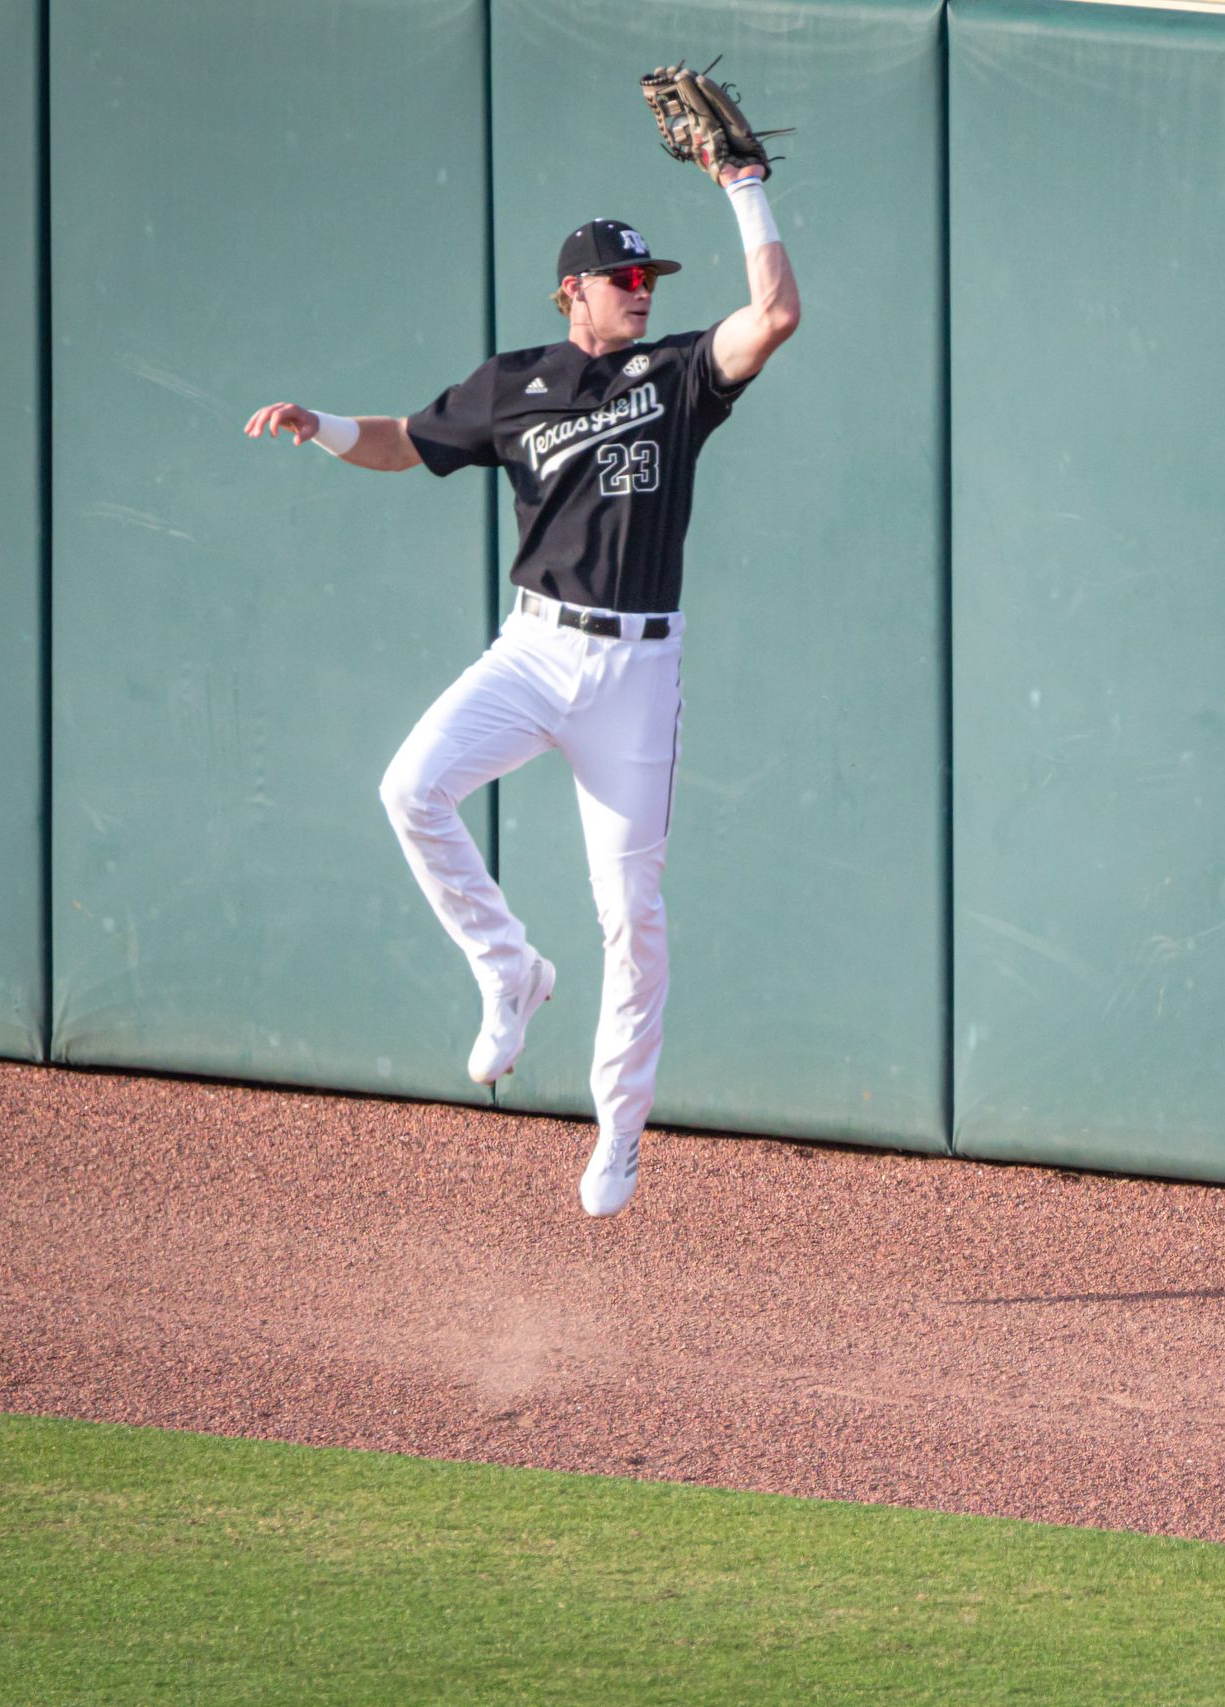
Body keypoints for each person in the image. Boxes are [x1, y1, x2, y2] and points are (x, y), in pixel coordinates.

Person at [242, 163, 799, 1218]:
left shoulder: (675, 376)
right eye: (622, 274)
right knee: (409, 788)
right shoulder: (515, 385)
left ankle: (618, 1132)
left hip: (636, 671)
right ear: (572, 292)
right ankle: (509, 970)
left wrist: (743, 188)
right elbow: (406, 441)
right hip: (535, 648)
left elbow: (774, 314)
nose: (641, 288)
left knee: (631, 914)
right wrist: (318, 422)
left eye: (648, 275)